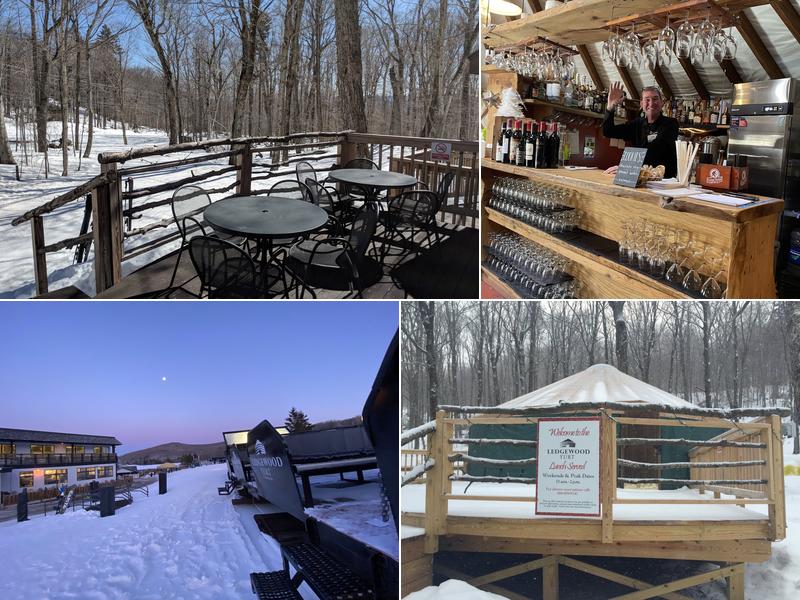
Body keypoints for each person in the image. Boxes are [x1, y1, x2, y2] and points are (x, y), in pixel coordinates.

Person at [602, 83, 679, 178]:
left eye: (655, 99)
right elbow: (608, 131)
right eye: (647, 100)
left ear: (661, 103)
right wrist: (610, 107)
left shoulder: (670, 124)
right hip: (639, 180)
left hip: (663, 182)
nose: (651, 103)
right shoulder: (637, 124)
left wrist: (628, 168)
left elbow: (656, 148)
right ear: (642, 104)